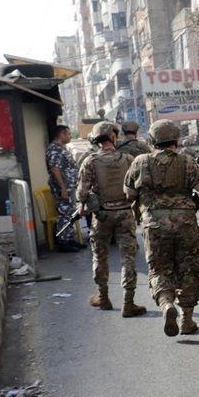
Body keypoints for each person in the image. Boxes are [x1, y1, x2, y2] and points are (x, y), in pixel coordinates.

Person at [123, 120, 199, 337]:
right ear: (177, 139)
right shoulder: (186, 161)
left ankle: (166, 304)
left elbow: (129, 195)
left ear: (152, 140)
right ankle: (187, 320)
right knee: (188, 269)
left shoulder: (140, 162)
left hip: (154, 225)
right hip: (185, 224)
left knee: (159, 269)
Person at [76, 121, 146, 318]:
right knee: (128, 258)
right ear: (113, 137)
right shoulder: (128, 159)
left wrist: (82, 205)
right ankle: (128, 303)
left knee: (100, 256)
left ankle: (103, 297)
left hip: (102, 216)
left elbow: (82, 192)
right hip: (125, 214)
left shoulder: (90, 161)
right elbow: (138, 187)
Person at [46, 124, 82, 252]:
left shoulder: (61, 148)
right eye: (68, 133)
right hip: (63, 188)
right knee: (64, 214)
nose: (70, 136)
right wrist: (63, 188)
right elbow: (55, 169)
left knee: (69, 213)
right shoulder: (54, 149)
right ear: (61, 134)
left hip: (69, 187)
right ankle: (63, 242)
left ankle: (70, 239)